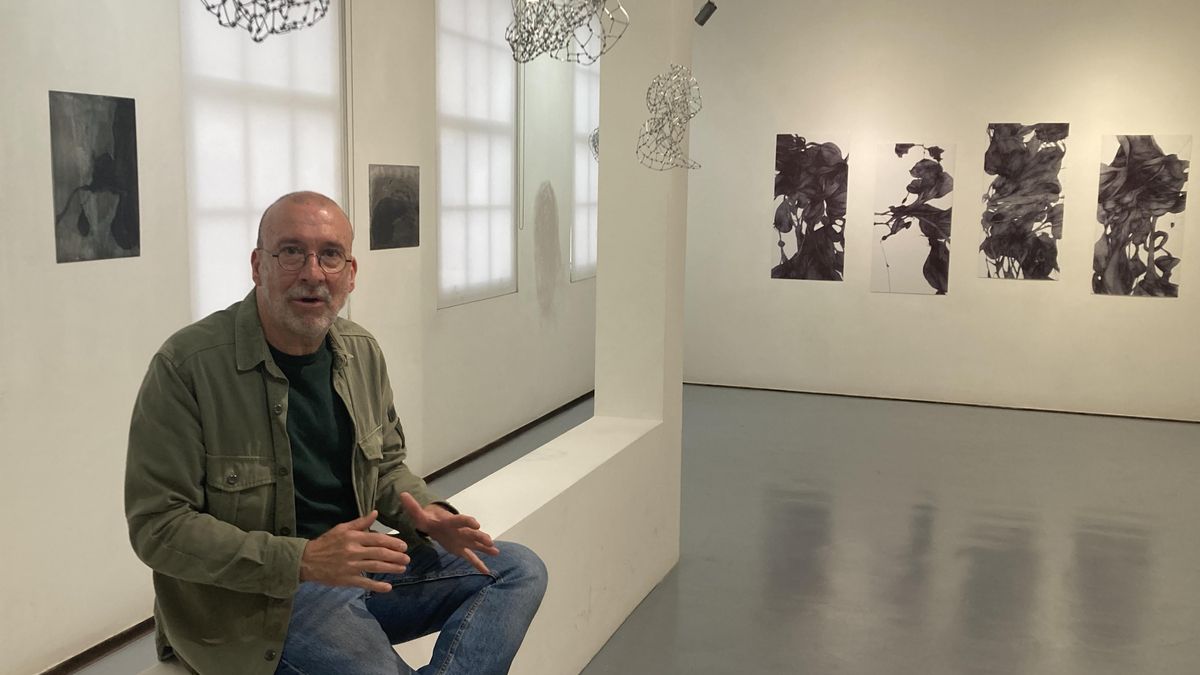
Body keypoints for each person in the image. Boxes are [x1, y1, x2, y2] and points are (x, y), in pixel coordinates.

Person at [125, 191, 547, 675]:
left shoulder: (360, 352)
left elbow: (386, 463)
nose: (312, 272)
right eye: (290, 252)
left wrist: (427, 514)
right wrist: (302, 559)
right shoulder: (187, 367)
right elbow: (157, 527)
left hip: (362, 569)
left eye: (329, 254)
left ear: (350, 273)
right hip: (263, 604)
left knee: (518, 571)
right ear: (257, 264)